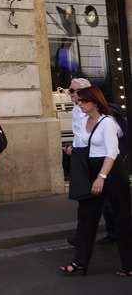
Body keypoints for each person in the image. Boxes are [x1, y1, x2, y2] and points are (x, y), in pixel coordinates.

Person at [59, 86, 132, 277]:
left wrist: (101, 177)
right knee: (86, 219)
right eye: (79, 101)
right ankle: (79, 263)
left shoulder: (107, 122)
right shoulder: (84, 120)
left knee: (121, 219)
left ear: (94, 102)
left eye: (82, 101)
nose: (79, 103)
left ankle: (128, 265)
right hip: (91, 172)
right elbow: (82, 145)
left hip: (111, 173)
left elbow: (112, 152)